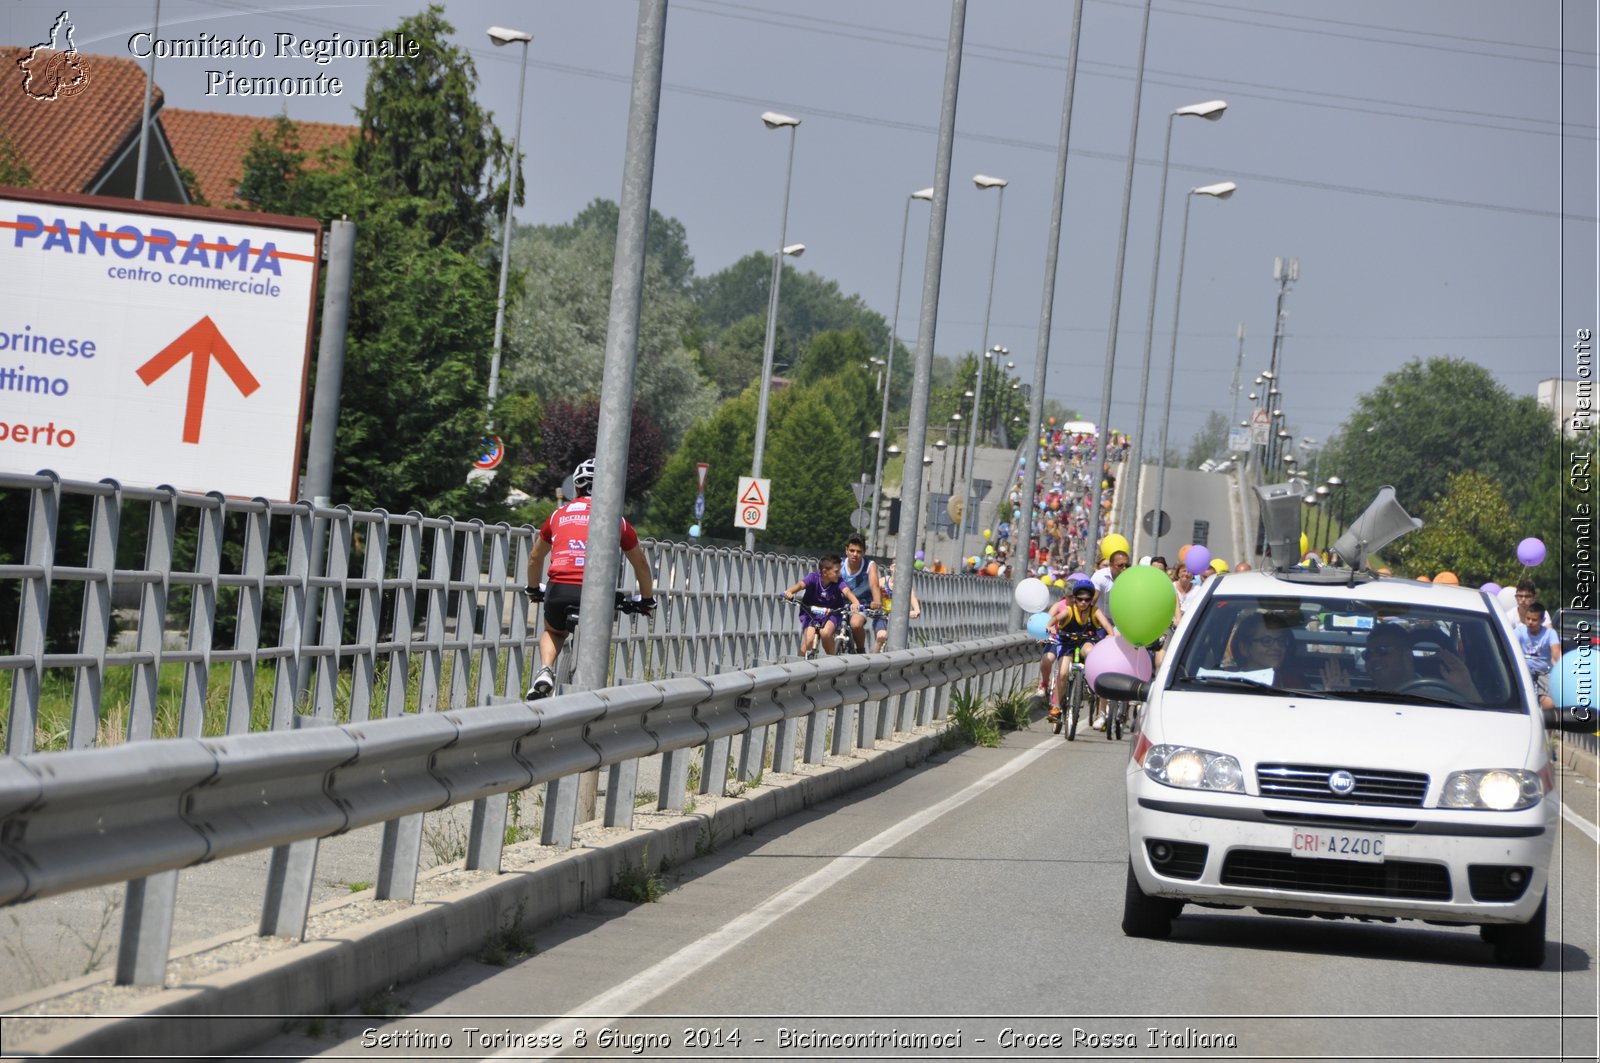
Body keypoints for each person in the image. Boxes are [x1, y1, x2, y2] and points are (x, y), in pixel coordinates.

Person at [525, 458, 656, 700]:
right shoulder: (617, 521)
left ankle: (545, 670)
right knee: (599, 637)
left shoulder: (557, 516)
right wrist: (647, 599)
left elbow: (535, 557)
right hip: (597, 594)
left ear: (575, 487)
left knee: (554, 631)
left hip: (560, 588)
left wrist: (533, 587)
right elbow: (641, 564)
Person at [1323, 621, 1481, 702]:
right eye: (1368, 654)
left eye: (1382, 651)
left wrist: (1468, 690)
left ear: (1407, 655)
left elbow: (1480, 724)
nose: (1374, 659)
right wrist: (1338, 698)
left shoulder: (1442, 695)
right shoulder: (1360, 698)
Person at [1047, 579, 1112, 724]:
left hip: (1085, 641)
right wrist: (1050, 627)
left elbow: (1107, 625)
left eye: (1087, 599)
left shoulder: (1094, 611)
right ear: (1074, 598)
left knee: (1091, 651)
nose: (1083, 602)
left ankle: (1089, 680)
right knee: (1063, 672)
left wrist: (1110, 635)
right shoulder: (1069, 611)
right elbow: (1055, 619)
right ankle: (1056, 706)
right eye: (1080, 599)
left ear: (1091, 600)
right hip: (1067, 643)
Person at [783, 554, 862, 657]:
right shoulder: (813, 578)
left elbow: (847, 592)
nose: (839, 574)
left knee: (825, 633)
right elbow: (800, 585)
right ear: (824, 572)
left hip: (831, 614)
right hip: (811, 614)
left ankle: (833, 660)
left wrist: (855, 602)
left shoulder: (838, 582)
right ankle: (798, 668)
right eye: (836, 571)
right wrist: (789, 592)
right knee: (809, 640)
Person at [837, 535, 884, 652]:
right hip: (840, 602)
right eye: (852, 550)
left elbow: (874, 585)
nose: (855, 554)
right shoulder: (840, 564)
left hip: (861, 603)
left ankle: (860, 650)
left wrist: (877, 602)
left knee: (856, 624)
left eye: (859, 551)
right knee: (829, 626)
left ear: (863, 552)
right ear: (846, 550)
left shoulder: (869, 565)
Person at [1516, 601, 1562, 702]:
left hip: (1543, 672)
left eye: (1534, 620)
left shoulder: (1550, 633)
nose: (1530, 622)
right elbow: (1511, 648)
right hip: (1524, 671)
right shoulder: (1519, 631)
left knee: (1550, 702)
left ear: (1542, 620)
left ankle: (1541, 710)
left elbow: (1556, 654)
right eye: (1528, 619)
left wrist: (1558, 667)